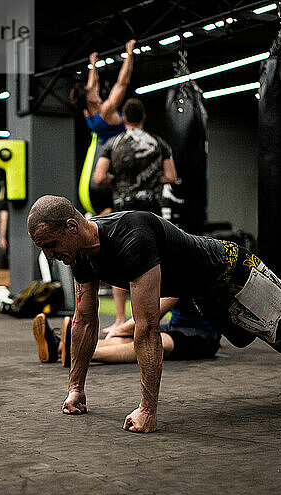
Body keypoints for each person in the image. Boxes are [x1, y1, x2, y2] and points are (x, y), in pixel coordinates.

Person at [27, 195, 281, 433]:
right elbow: (84, 320)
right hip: (203, 296)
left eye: (51, 245)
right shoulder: (79, 255)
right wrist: (75, 389)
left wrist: (148, 411)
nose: (50, 256)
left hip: (234, 272)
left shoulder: (132, 235)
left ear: (72, 227)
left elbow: (148, 326)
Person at [93, 97, 178, 336]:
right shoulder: (158, 143)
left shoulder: (112, 142)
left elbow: (99, 177)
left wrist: (119, 182)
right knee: (152, 262)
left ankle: (120, 320)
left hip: (122, 208)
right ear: (144, 117)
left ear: (123, 118)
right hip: (149, 209)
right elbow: (171, 176)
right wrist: (152, 179)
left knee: (118, 260)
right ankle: (144, 319)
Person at [32, 297, 221, 366]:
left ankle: (79, 353)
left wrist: (120, 328)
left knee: (156, 341)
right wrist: (122, 330)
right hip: (176, 327)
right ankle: (59, 348)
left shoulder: (185, 268)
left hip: (203, 336)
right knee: (135, 335)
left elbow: (154, 311)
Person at [69, 39, 137, 145]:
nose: (94, 89)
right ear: (90, 99)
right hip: (124, 148)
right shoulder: (105, 111)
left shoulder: (86, 111)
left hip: (113, 150)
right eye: (91, 91)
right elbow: (122, 83)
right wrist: (129, 54)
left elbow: (93, 85)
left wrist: (93, 66)